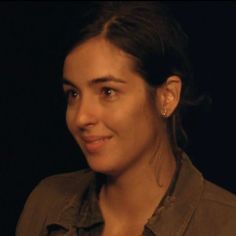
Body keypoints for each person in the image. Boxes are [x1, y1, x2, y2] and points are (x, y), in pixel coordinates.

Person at [16, 2, 236, 236]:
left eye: (107, 92)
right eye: (73, 94)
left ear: (167, 96)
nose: (81, 117)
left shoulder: (225, 224)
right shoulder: (47, 204)